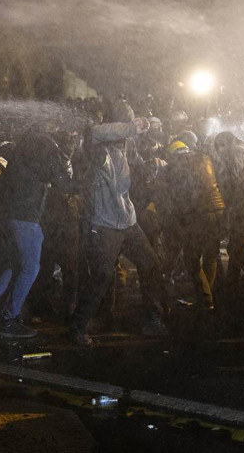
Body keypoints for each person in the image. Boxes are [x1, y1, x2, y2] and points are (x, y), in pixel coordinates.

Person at [69, 100, 169, 346]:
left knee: (151, 264)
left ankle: (153, 319)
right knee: (102, 275)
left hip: (127, 220)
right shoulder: (96, 144)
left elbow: (137, 175)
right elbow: (97, 132)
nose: (131, 127)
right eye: (126, 121)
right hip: (103, 224)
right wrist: (131, 127)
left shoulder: (125, 148)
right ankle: (78, 326)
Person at [0, 131, 74, 337]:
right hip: (26, 221)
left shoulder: (19, 160)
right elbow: (66, 184)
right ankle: (10, 318)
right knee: (31, 269)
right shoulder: (38, 162)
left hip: (10, 220)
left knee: (17, 266)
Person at [164, 138, 226, 309]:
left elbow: (179, 197)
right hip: (219, 211)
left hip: (199, 216)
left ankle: (205, 301)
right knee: (211, 256)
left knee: (191, 259)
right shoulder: (205, 158)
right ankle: (208, 299)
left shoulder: (174, 166)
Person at [212, 132, 244, 289]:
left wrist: (232, 210)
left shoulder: (236, 153)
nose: (219, 154)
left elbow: (238, 184)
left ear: (224, 145)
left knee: (240, 248)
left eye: (219, 149)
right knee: (237, 248)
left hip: (243, 208)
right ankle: (231, 284)